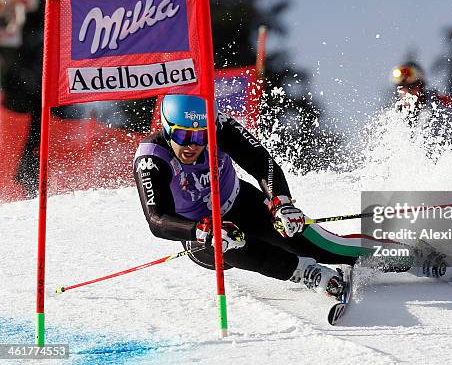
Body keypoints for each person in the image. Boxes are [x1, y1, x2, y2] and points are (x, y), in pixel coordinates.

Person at [133, 94, 356, 298]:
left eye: (201, 136)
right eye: (182, 135)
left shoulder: (218, 125)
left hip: (243, 204)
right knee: (226, 244)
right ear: (166, 128)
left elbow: (260, 161)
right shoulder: (151, 158)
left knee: (323, 247)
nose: (192, 144)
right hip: (203, 235)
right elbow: (157, 219)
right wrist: (201, 230)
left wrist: (281, 203)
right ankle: (307, 273)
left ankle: (385, 254)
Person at [391, 61, 452, 147]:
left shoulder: (441, 112)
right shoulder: (391, 119)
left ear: (421, 87)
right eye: (402, 87)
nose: (407, 92)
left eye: (411, 87)